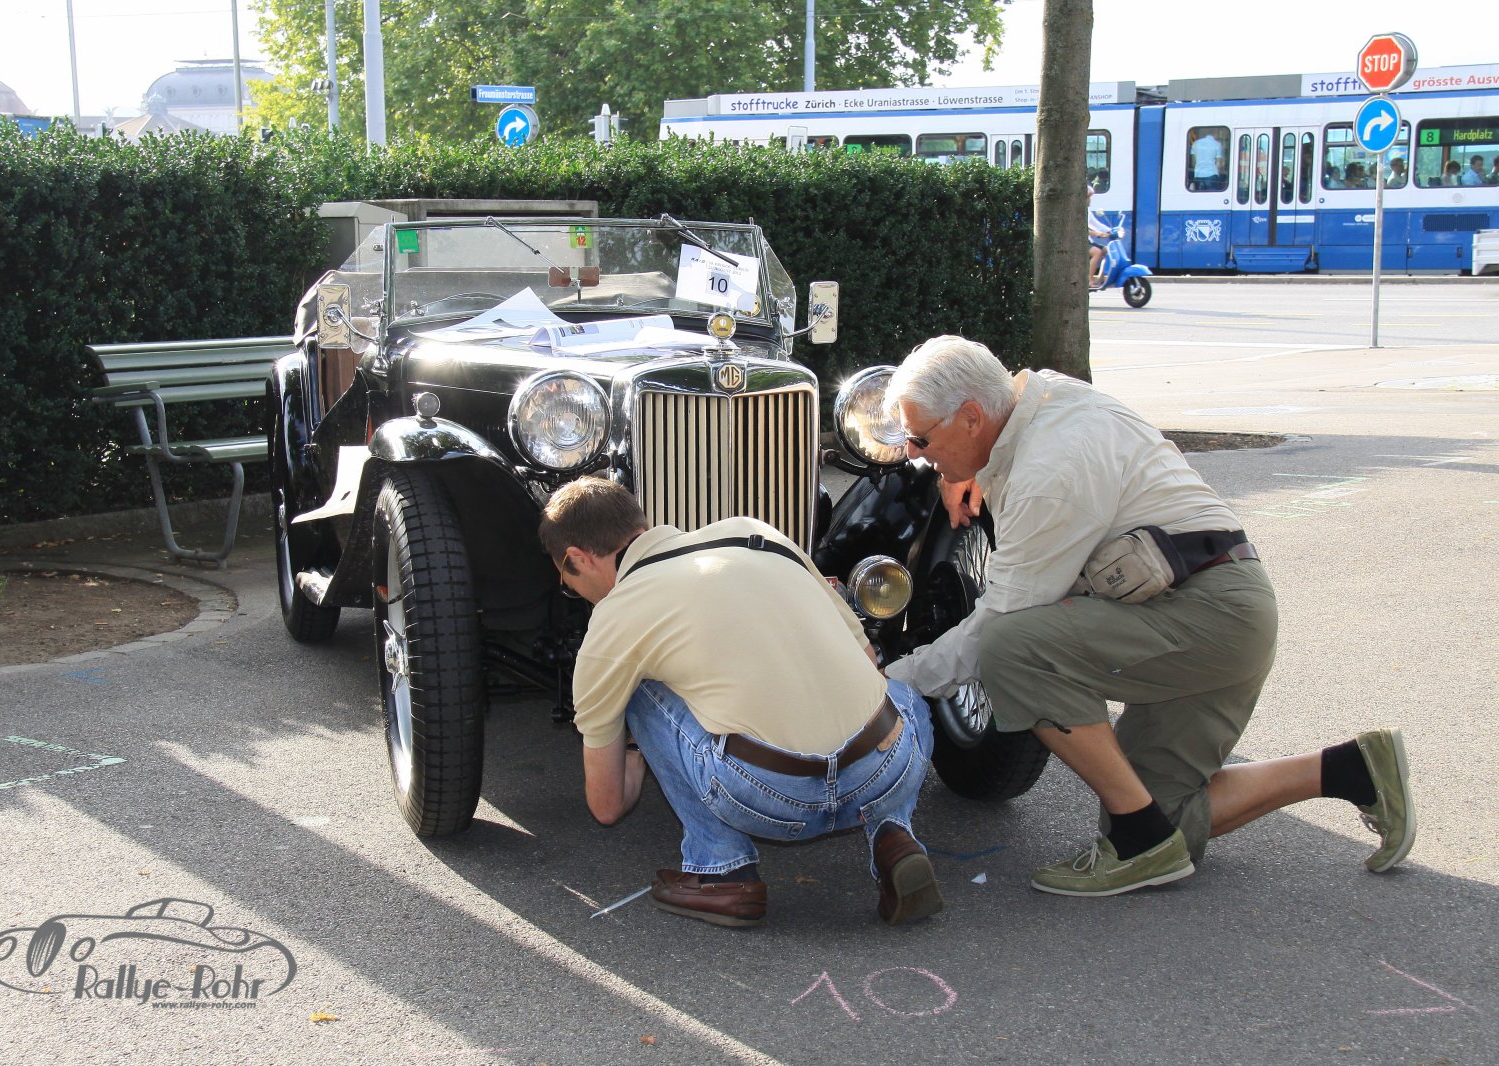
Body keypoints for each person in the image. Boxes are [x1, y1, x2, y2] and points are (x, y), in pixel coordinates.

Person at [881, 336, 1416, 897]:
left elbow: (1000, 620)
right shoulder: (1047, 399)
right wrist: (966, 467)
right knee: (1166, 814)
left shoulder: (1052, 473)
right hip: (1220, 601)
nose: (914, 453)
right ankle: (1351, 768)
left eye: (921, 439)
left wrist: (889, 684)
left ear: (971, 417)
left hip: (1205, 615)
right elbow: (1007, 430)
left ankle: (1140, 843)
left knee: (1012, 647)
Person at [539, 478, 943, 927]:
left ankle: (720, 868)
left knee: (636, 690)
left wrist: (634, 745)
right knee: (901, 695)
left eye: (568, 582)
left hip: (772, 801)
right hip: (883, 776)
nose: (575, 591)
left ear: (578, 558)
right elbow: (869, 664)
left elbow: (607, 807)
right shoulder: (755, 532)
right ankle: (892, 831)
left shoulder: (611, 623)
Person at [1087, 186, 1111, 289]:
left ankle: (1100, 278)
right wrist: (1097, 234)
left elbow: (1096, 224)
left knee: (1107, 250)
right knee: (1097, 252)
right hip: (1079, 243)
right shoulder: (1077, 212)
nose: (1090, 200)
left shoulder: (1087, 211)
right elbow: (1080, 230)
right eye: (1088, 197)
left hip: (1088, 241)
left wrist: (1110, 231)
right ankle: (1089, 280)